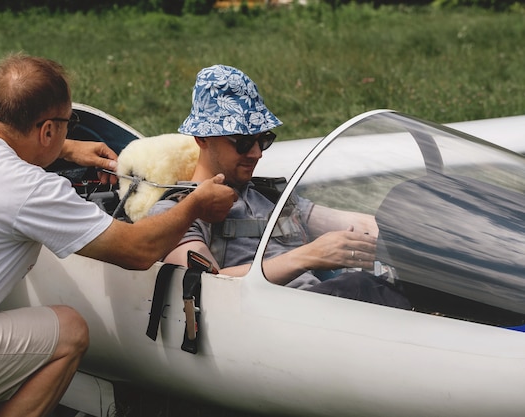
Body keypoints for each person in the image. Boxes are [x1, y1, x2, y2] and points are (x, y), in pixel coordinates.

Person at [0, 53, 236, 417]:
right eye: (66, 123)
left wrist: (67, 147)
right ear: (46, 129)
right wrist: (194, 204)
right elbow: (139, 249)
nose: (67, 130)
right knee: (70, 331)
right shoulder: (29, 189)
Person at [149, 64, 410, 308]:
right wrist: (308, 256)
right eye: (242, 142)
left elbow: (356, 224)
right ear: (202, 139)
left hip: (317, 312)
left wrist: (412, 236)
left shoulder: (271, 197)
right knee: (361, 286)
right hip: (266, 318)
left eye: (263, 140)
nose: (256, 153)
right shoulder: (175, 212)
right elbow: (205, 284)